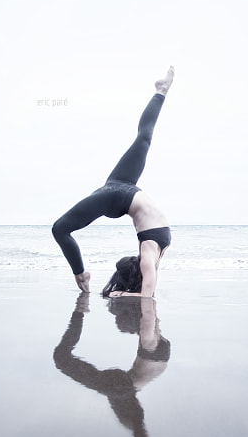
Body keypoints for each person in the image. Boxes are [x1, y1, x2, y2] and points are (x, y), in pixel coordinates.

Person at [52, 66, 174, 297]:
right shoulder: (150, 255)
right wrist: (131, 294)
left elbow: (147, 291)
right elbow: (147, 293)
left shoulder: (153, 251)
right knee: (144, 137)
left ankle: (81, 273)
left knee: (60, 229)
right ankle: (161, 90)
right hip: (121, 186)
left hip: (117, 195)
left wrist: (126, 293)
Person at [53, 293, 172, 437]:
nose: (116, 322)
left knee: (61, 358)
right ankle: (80, 312)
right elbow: (150, 311)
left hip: (120, 386)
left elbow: (149, 314)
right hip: (124, 386)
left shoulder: (151, 338)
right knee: (137, 430)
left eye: (118, 317)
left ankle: (79, 312)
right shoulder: (153, 338)